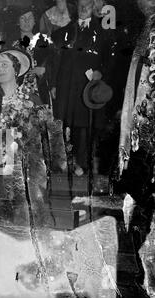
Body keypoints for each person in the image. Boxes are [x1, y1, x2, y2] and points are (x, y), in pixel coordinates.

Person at [0, 49, 61, 225]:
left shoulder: (33, 100)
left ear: (16, 70)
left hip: (26, 171)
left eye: (4, 65)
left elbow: (44, 139)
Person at [118, 0, 155, 298]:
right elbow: (135, 90)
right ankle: (140, 276)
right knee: (139, 202)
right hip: (143, 136)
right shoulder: (144, 38)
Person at [51, 0, 114, 175]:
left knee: (83, 125)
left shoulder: (103, 33)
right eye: (81, 5)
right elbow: (57, 59)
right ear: (75, 8)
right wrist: (54, 84)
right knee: (61, 121)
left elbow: (109, 61)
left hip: (87, 87)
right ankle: (62, 161)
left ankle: (81, 163)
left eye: (87, 4)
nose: (84, 8)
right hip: (66, 85)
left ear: (94, 8)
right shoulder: (65, 32)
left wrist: (100, 74)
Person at [12, 8, 55, 105]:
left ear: (35, 21)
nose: (27, 21)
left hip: (40, 89)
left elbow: (55, 64)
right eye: (23, 18)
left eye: (30, 18)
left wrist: (45, 70)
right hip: (19, 93)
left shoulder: (45, 43)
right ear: (18, 22)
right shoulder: (13, 46)